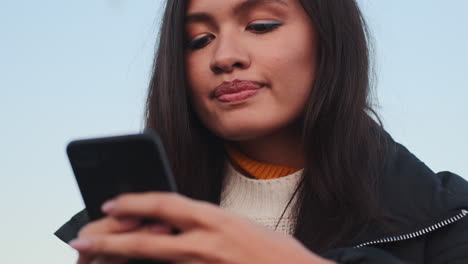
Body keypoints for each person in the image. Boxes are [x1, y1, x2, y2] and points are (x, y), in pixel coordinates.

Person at [55, 0, 468, 263]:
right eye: (198, 39)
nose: (225, 56)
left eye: (262, 25)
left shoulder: (450, 224)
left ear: (329, 39)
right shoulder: (125, 230)